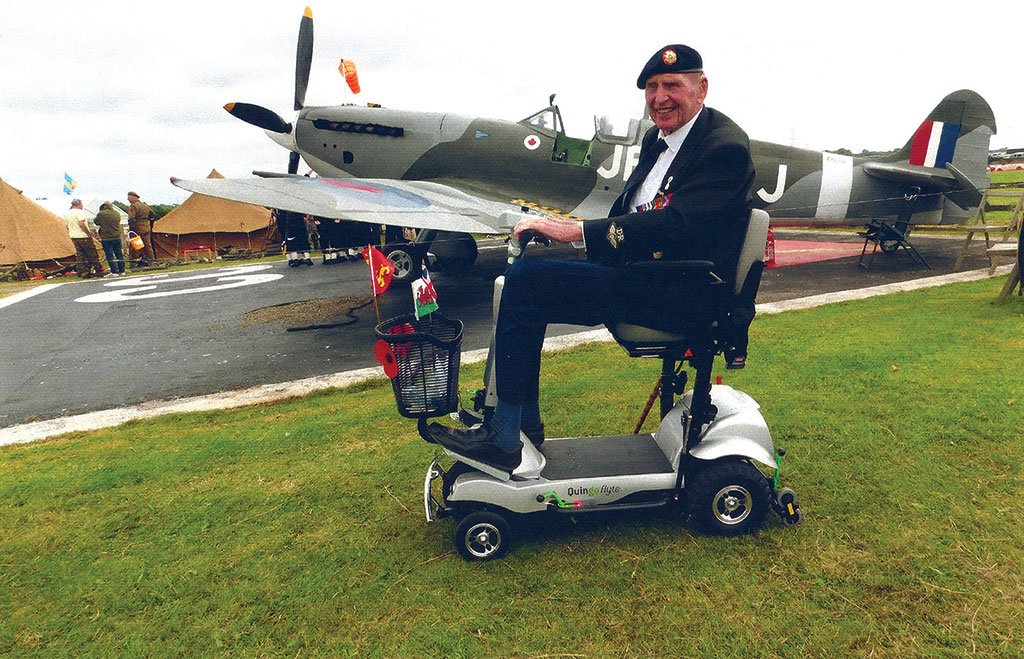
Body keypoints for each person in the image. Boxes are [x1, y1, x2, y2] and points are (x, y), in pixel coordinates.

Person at [428, 44, 756, 471]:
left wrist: (576, 231)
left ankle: (506, 437)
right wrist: (561, 231)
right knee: (525, 280)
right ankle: (519, 425)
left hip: (687, 292)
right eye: (652, 87)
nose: (660, 98)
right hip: (651, 275)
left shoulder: (723, 148)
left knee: (526, 283)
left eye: (672, 85)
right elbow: (632, 211)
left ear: (701, 88)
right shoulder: (660, 140)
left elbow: (676, 225)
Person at [64, 199, 104, 278]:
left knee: (80, 255)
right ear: (78, 204)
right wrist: (88, 233)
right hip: (83, 236)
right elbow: (81, 223)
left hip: (73, 236)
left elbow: (66, 226)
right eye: (81, 204)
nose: (82, 206)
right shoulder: (80, 212)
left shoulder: (67, 213)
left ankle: (83, 272)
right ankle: (98, 270)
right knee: (92, 253)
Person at [94, 202, 125, 276]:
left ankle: (114, 271)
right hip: (117, 236)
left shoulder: (101, 214)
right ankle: (122, 270)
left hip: (106, 237)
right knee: (119, 254)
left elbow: (96, 222)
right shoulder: (117, 213)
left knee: (110, 255)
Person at [127, 191, 156, 266]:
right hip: (146, 226)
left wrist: (132, 227)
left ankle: (134, 263)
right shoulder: (145, 205)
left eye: (129, 198)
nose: (128, 199)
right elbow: (152, 214)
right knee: (147, 246)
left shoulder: (134, 206)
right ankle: (151, 261)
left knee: (135, 245)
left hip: (137, 227)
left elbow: (131, 218)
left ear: (133, 197)